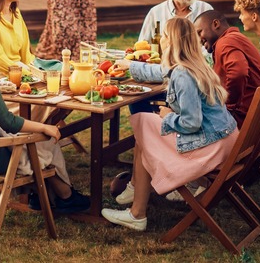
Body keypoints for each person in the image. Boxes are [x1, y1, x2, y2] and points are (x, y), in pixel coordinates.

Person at [0, 6, 89, 214]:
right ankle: (64, 196)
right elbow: (7, 121)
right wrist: (44, 128)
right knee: (44, 141)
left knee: (34, 141)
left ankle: (44, 196)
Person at [101, 17, 238, 231]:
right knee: (145, 131)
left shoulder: (183, 75)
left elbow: (191, 122)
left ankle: (137, 213)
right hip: (225, 139)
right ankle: (136, 188)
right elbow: (162, 72)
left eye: (165, 36)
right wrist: (131, 66)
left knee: (145, 126)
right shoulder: (196, 64)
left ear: (172, 41)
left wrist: (167, 117)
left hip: (209, 148)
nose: (162, 40)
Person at [194, 10, 260, 126]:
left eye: (199, 32)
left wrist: (228, 106)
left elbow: (238, 73)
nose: (199, 40)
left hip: (243, 119)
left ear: (215, 24)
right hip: (258, 115)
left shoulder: (225, 42)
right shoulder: (235, 37)